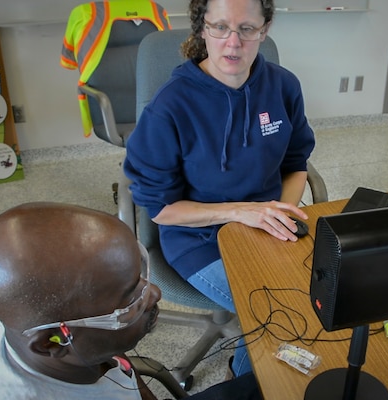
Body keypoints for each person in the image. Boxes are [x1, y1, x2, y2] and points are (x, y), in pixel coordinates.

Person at [123, 0, 315, 377]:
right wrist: (238, 212)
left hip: (266, 226)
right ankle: (243, 383)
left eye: (247, 29)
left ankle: (251, 374)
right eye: (220, 27)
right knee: (275, 312)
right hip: (198, 238)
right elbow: (160, 208)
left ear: (265, 28)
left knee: (319, 294)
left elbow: (296, 164)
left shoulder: (283, 86)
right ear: (201, 29)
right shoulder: (169, 107)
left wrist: (279, 215)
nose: (233, 43)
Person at [0, 202, 261, 400]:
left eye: (139, 274)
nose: (155, 293)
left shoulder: (29, 315)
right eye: (130, 298)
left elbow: (112, 362)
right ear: (53, 342)